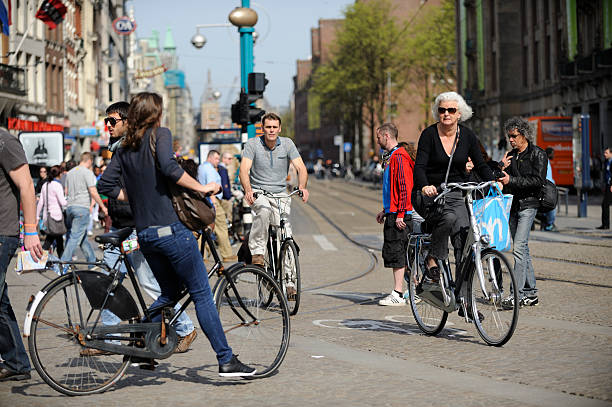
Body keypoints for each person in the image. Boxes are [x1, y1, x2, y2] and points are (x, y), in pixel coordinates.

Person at [98, 92, 255, 376]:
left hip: (145, 235)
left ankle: (139, 347)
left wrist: (135, 200)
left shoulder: (124, 147)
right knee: (202, 295)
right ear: (155, 113)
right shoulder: (160, 134)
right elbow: (170, 168)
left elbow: (105, 184)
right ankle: (226, 359)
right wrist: (202, 188)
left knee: (168, 293)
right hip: (171, 231)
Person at [82, 101, 198, 357]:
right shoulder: (117, 150)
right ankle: (110, 338)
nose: (108, 126)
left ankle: (185, 327)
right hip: (122, 228)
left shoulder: (132, 150)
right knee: (108, 283)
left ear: (127, 122)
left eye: (113, 121)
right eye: (106, 121)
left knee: (148, 283)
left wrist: (132, 200)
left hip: (136, 228)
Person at [413, 92, 494, 319]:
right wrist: (425, 186)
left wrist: (493, 181)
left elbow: (480, 163)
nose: (446, 114)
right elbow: (419, 167)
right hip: (432, 195)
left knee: (464, 243)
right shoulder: (429, 135)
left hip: (457, 194)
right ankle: (431, 260)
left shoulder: (467, 136)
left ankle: (465, 301)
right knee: (447, 219)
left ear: (460, 113)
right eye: (442, 110)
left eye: (451, 110)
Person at [239, 112, 309, 298]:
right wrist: (248, 190)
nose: (271, 130)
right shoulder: (253, 144)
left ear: (279, 129)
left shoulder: (287, 144)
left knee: (286, 234)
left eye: (274, 127)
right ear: (263, 128)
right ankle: (258, 253)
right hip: (259, 192)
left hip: (280, 193)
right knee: (263, 210)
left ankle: (289, 282)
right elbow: (244, 170)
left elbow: (301, 168)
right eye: (267, 127)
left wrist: (302, 186)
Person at [0, 127, 43, 381]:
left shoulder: (4, 141)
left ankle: (17, 362)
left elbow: (27, 185)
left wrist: (31, 230)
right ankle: (16, 362)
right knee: (1, 302)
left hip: (2, 233)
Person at [498, 117, 548, 308]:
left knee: (518, 248)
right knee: (523, 249)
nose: (511, 140)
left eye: (514, 136)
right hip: (512, 206)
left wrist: (512, 181)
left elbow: (537, 181)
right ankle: (531, 293)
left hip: (529, 205)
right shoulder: (511, 155)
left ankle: (516, 294)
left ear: (524, 135)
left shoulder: (538, 154)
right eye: (509, 136)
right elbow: (501, 176)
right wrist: (499, 167)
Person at [374, 123, 415, 306]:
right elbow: (393, 188)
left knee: (397, 252)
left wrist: (399, 213)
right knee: (401, 253)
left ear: (386, 136)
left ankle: (398, 293)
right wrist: (386, 210)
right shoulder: (392, 157)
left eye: (378, 137)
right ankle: (413, 290)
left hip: (400, 214)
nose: (377, 141)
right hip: (393, 211)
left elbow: (405, 186)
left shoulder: (399, 156)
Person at [60, 152, 108, 265]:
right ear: (90, 161)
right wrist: (102, 206)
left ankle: (91, 262)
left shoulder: (70, 173)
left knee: (82, 237)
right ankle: (63, 263)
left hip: (70, 207)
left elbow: (66, 191)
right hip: (82, 207)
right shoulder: (87, 173)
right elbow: (93, 191)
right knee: (75, 237)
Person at [198, 150, 237, 262]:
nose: (217, 161)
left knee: (205, 228)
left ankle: (203, 256)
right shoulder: (210, 169)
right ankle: (227, 254)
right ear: (209, 157)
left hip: (203, 201)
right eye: (216, 159)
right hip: (212, 200)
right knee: (222, 226)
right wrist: (214, 203)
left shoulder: (201, 167)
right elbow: (211, 187)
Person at [36, 165, 67, 257]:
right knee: (50, 241)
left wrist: (37, 216)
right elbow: (62, 202)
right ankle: (41, 258)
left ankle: (62, 261)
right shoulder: (57, 185)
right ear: (59, 174)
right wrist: (70, 201)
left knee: (58, 239)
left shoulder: (45, 185)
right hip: (56, 217)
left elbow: (40, 202)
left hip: (47, 217)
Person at [542, 147, 557, 232]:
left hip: (549, 186)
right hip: (547, 187)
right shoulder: (545, 162)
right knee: (552, 206)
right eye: (553, 153)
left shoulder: (546, 161)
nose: (553, 155)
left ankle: (548, 223)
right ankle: (549, 224)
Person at [597, 147, 611, 230]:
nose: (604, 154)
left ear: (611, 153)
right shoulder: (606, 162)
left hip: (611, 185)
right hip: (607, 185)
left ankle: (606, 225)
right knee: (604, 205)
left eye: (606, 153)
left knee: (605, 204)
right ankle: (605, 224)